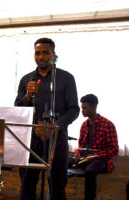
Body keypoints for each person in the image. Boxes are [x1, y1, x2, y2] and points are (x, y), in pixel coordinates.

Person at [15, 37, 80, 200]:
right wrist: (28, 96)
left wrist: (56, 126)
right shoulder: (26, 79)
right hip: (31, 140)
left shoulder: (66, 78)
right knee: (27, 186)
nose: (41, 57)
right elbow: (18, 108)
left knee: (58, 188)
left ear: (53, 54)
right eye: (37, 53)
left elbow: (74, 109)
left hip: (57, 139)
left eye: (45, 53)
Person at [73, 94, 118, 200]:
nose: (82, 111)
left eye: (85, 108)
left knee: (90, 171)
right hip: (86, 159)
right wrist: (78, 153)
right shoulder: (84, 125)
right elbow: (81, 146)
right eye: (81, 108)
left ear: (94, 107)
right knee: (62, 163)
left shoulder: (108, 125)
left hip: (102, 160)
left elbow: (114, 150)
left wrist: (95, 156)